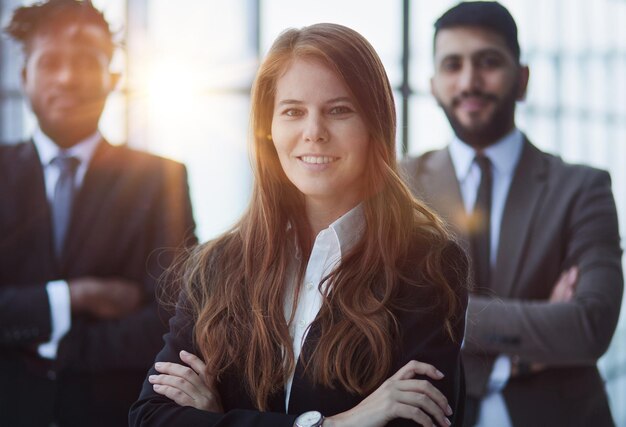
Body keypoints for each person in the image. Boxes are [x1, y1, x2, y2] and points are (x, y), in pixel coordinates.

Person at [130, 23, 468, 427]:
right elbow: (152, 418)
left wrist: (220, 419)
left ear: (374, 124)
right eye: (293, 111)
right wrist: (335, 424)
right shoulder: (217, 266)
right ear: (268, 130)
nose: (314, 133)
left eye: (339, 110)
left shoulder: (426, 267)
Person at [400, 2, 623, 426]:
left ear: (522, 80)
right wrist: (520, 357)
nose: (469, 81)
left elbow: (590, 326)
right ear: (432, 84)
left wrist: (439, 315)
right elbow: (383, 315)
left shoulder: (583, 188)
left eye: (488, 62)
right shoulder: (400, 186)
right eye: (453, 65)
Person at [0, 1, 196, 425]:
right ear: (24, 77)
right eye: (50, 62)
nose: (68, 78)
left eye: (86, 63)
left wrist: (57, 345)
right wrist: (74, 297)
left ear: (112, 78)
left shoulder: (162, 180)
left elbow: (173, 321)